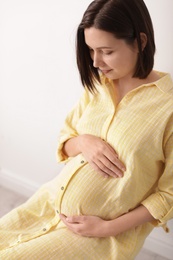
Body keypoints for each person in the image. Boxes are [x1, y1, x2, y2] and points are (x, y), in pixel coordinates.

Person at [0, 0, 173, 259]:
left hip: (101, 236)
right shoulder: (98, 87)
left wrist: (107, 228)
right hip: (47, 204)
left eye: (106, 51)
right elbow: (65, 140)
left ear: (140, 41)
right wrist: (84, 142)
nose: (95, 62)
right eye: (91, 50)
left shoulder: (168, 106)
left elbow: (168, 195)